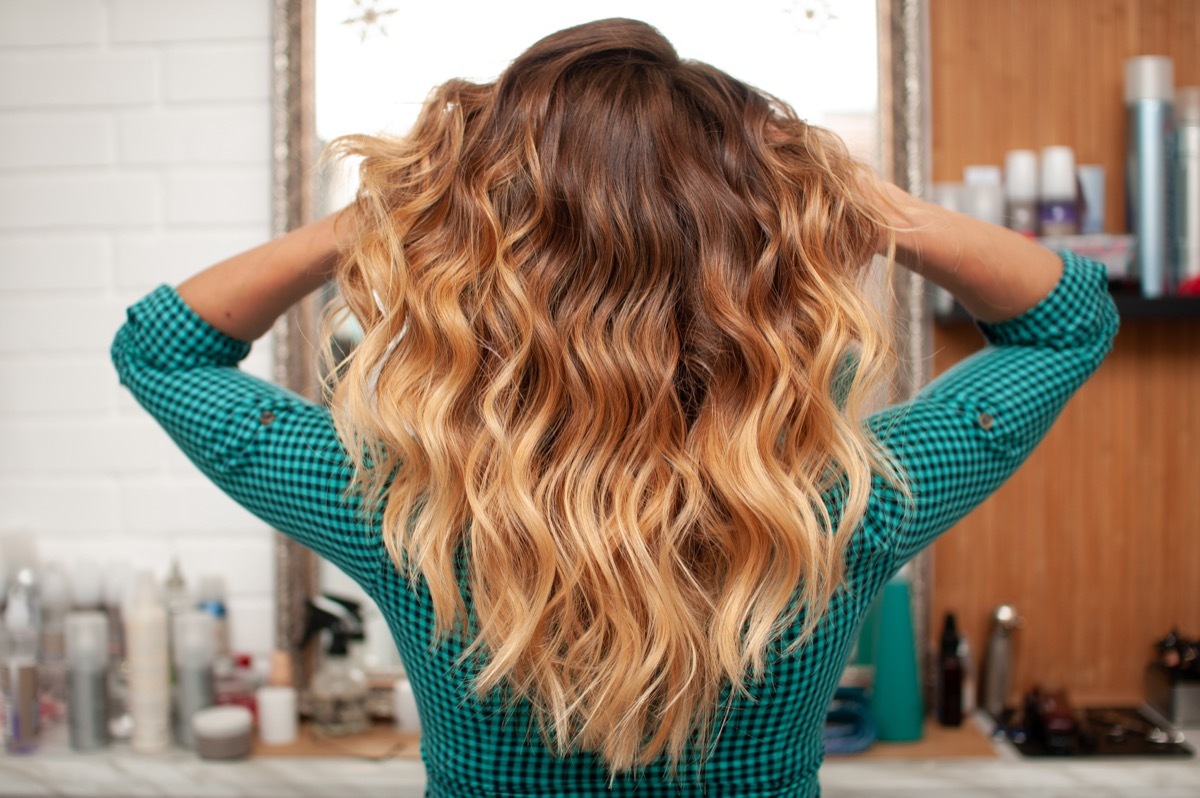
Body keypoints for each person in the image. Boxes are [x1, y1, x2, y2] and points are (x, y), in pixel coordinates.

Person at [112, 18, 1117, 798]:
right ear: (749, 275)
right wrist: (844, 192)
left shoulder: (400, 512)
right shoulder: (847, 511)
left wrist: (394, 205)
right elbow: (1067, 320)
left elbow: (159, 352)